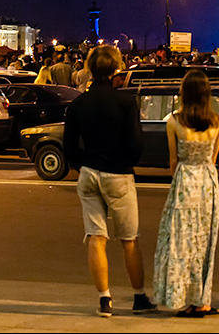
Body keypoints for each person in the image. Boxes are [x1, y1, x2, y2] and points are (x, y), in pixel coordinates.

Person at [63, 46, 155, 318]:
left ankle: (104, 300)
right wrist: (124, 161)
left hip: (90, 171)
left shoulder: (79, 104)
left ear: (90, 68)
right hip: (119, 173)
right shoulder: (125, 102)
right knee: (129, 238)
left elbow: (69, 147)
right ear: (116, 69)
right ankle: (139, 298)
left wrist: (83, 163)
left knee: (96, 236)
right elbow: (136, 144)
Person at [153, 70, 219, 318]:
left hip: (185, 180)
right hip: (208, 182)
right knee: (205, 242)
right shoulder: (217, 121)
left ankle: (183, 297)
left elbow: (174, 160)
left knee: (181, 241)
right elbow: (213, 158)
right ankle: (202, 299)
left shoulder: (173, 122)